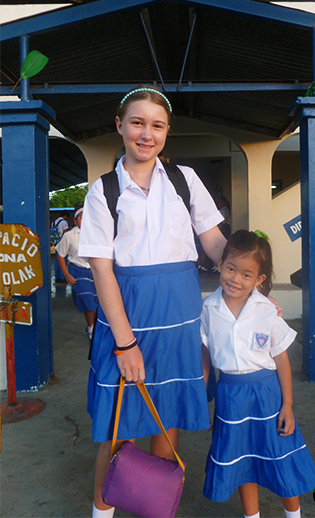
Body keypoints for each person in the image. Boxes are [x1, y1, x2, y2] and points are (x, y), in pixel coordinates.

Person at [78, 85, 228, 518]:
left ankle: (157, 509)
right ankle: (101, 513)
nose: (147, 134)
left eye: (157, 126)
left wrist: (251, 286)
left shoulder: (185, 180)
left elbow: (214, 242)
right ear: (120, 126)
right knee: (118, 432)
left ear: (167, 132)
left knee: (168, 425)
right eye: (138, 123)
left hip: (180, 318)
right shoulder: (103, 191)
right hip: (127, 321)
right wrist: (124, 344)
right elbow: (102, 270)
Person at [201, 230, 315, 518]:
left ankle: (294, 515)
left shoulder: (267, 311)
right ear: (220, 264)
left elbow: (281, 361)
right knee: (243, 462)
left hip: (267, 396)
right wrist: (201, 398)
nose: (235, 279)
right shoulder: (208, 308)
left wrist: (287, 406)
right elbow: (204, 356)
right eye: (230, 268)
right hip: (230, 397)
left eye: (246, 274)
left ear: (259, 280)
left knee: (280, 459)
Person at [55, 204, 98, 340]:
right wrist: (66, 274)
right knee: (88, 300)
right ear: (75, 221)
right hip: (78, 271)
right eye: (81, 218)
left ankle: (91, 325)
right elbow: (60, 255)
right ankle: (91, 329)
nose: (84, 221)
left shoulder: (97, 234)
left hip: (95, 271)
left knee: (96, 301)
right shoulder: (70, 236)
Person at [51, 211, 69, 282]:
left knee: (57, 260)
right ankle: (62, 278)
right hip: (63, 243)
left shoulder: (53, 222)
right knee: (63, 260)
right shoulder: (64, 222)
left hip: (56, 243)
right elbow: (66, 233)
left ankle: (57, 277)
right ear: (65, 216)